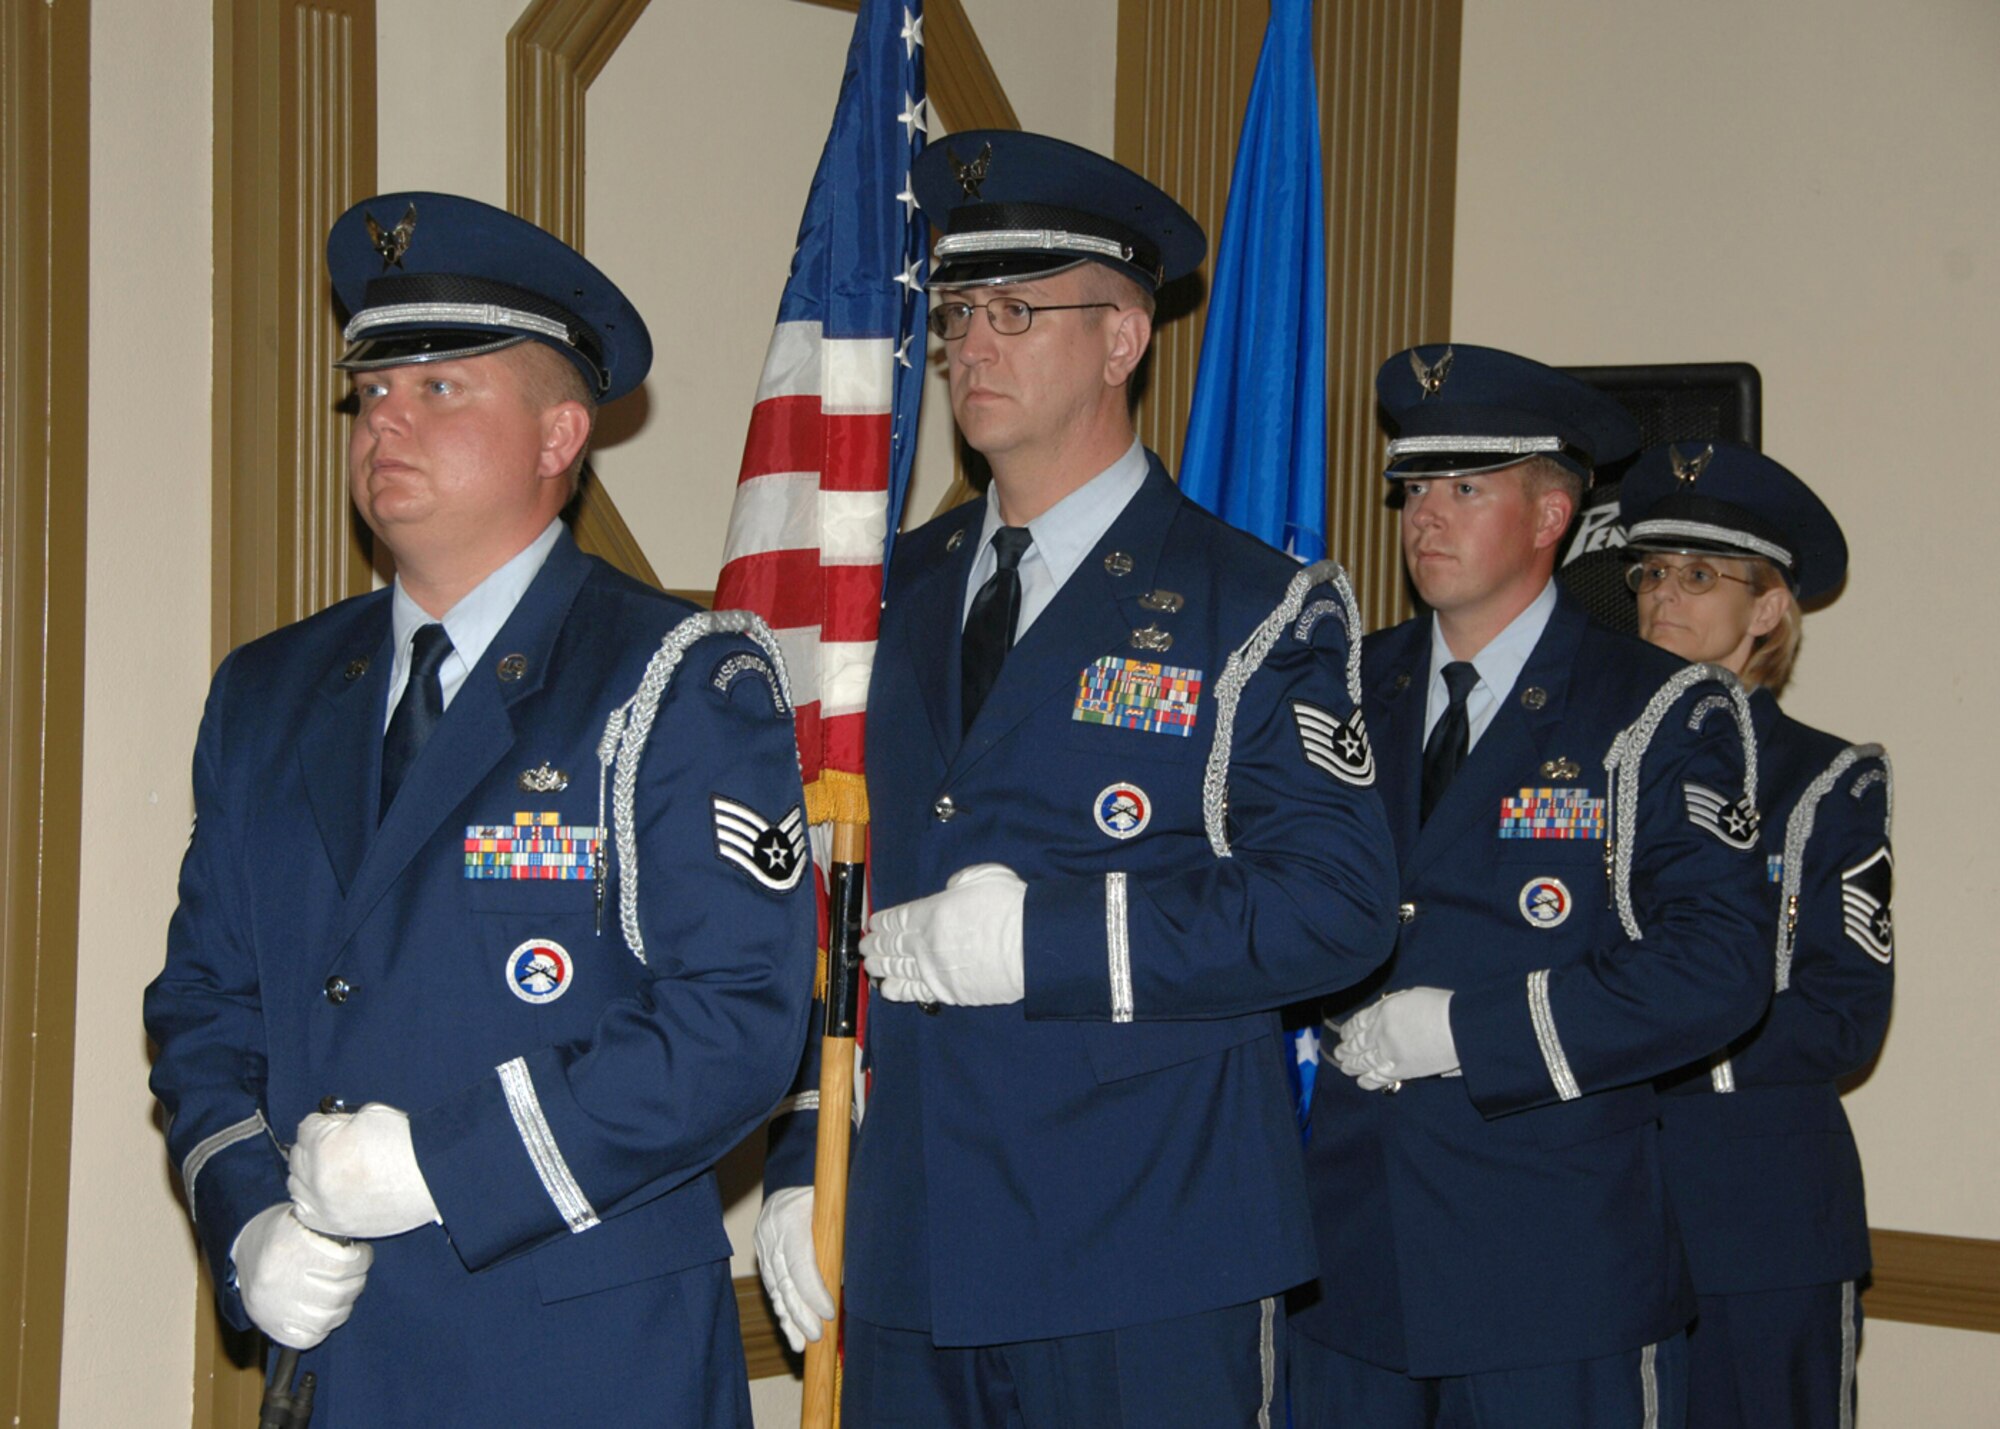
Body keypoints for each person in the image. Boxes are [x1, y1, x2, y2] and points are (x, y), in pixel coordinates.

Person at [753, 129, 1398, 1427]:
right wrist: (800, 1149)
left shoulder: (1256, 607)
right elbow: (826, 892)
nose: (968, 346)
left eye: (1014, 311)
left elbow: (1338, 905)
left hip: (1141, 1250)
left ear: (1122, 338)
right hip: (907, 1236)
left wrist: (1047, 942)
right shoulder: (891, 592)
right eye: (956, 312)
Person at [143, 192, 816, 1426]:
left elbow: (737, 1025)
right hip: (337, 1363)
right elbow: (203, 1002)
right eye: (371, 391)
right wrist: (245, 1221)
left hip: (578, 1364)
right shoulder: (271, 692)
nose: (385, 417)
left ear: (561, 433)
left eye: (441, 387)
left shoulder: (674, 677)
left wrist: (438, 1165)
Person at [1288, 344, 1774, 1428]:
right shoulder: (1344, 687)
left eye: (1465, 487)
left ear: (1552, 513)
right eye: (1413, 487)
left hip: (1550, 1274)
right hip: (1352, 1264)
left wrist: (1469, 1031)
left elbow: (1718, 967)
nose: (1425, 515)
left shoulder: (1654, 710)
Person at [1623, 441, 1891, 1428]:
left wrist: (1630, 1042)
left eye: (1699, 576)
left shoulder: (1824, 781)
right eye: (1650, 571)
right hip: (1597, 1213)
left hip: (1760, 1224)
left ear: (1769, 606)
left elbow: (1839, 1016)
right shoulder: (1587, 772)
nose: (1661, 597)